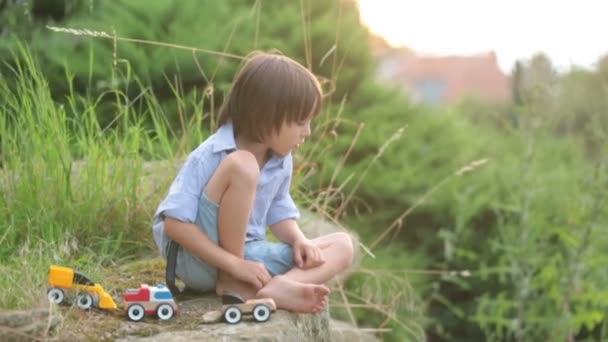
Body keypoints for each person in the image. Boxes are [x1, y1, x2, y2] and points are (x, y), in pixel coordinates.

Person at [152, 51, 354, 314]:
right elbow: (175, 226)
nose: (308, 132)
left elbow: (278, 208)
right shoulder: (211, 154)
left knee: (343, 245)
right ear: (266, 116)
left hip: (248, 259)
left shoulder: (281, 159)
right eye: (301, 122)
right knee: (243, 165)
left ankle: (282, 286)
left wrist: (299, 240)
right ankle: (231, 282)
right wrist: (233, 266)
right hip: (199, 259)